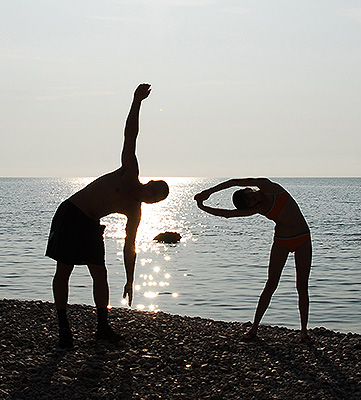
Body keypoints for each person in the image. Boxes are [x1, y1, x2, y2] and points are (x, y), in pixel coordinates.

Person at [46, 83, 169, 348]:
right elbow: (130, 136)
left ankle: (102, 327)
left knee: (100, 273)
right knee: (63, 270)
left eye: (157, 198)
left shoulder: (135, 211)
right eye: (155, 190)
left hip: (91, 224)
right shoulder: (129, 171)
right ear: (149, 183)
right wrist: (137, 102)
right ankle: (64, 329)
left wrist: (130, 279)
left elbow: (130, 247)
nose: (153, 196)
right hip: (72, 213)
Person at [194, 178, 312, 342]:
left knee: (302, 286)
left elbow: (234, 182)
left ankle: (304, 332)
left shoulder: (268, 186)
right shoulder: (258, 208)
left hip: (303, 238)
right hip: (282, 241)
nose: (251, 200)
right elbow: (229, 214)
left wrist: (208, 192)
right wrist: (203, 207)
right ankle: (254, 329)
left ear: (248, 189)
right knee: (271, 284)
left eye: (248, 196)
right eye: (247, 203)